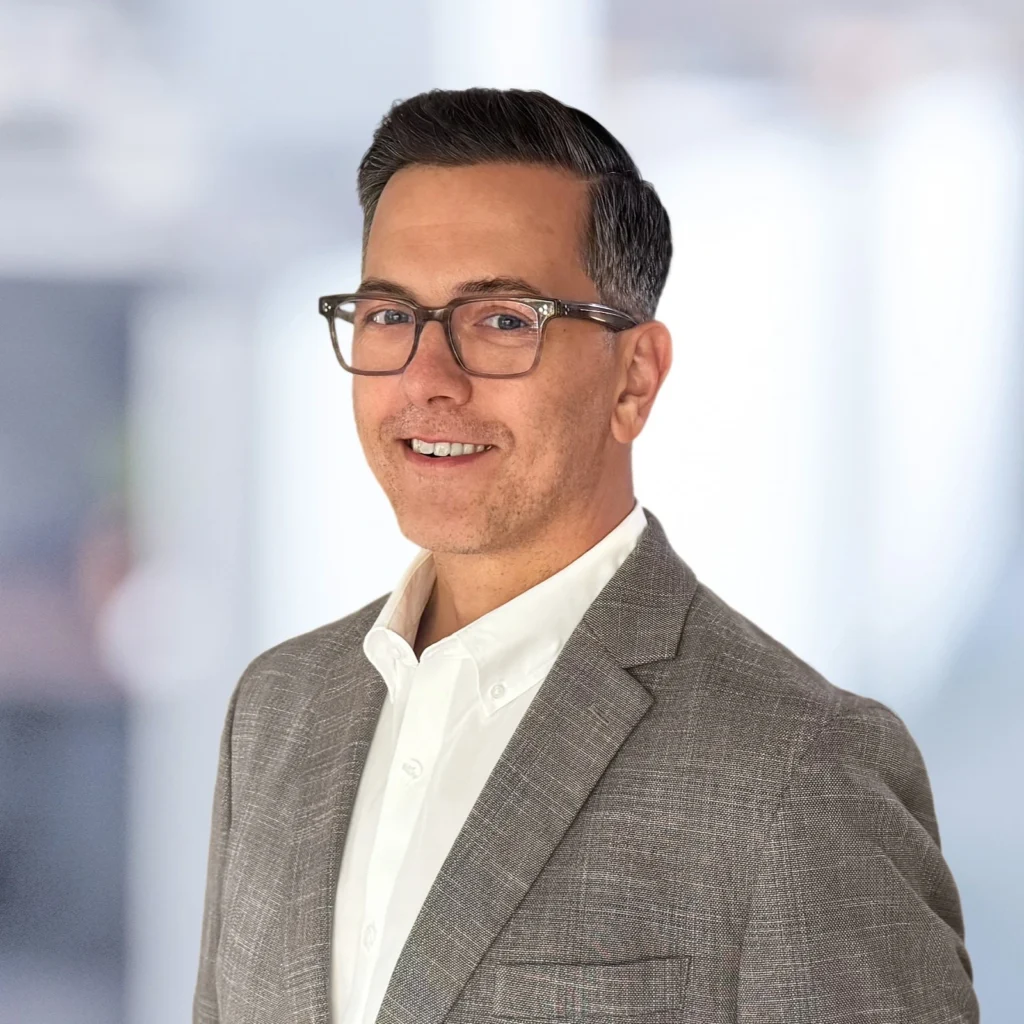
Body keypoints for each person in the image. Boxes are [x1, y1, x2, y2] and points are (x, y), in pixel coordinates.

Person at [193, 88, 979, 1024]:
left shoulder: (796, 770)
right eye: (389, 316)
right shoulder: (276, 710)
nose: (427, 380)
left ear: (634, 378)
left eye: (503, 320)